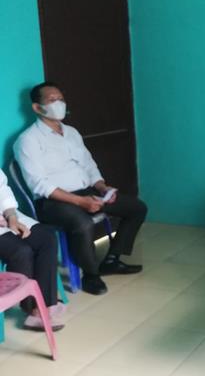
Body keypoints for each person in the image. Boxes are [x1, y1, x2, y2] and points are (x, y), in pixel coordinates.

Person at [14, 82, 147, 296]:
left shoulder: (72, 132)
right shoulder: (28, 140)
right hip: (52, 201)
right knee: (82, 223)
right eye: (52, 100)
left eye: (61, 99)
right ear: (37, 108)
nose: (59, 104)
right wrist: (80, 202)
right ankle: (91, 275)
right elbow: (39, 184)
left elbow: (88, 164)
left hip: (85, 192)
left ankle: (112, 260)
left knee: (136, 208)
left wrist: (102, 187)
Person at [0, 168, 64, 331]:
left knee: (46, 239)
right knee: (21, 251)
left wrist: (11, 216)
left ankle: (45, 304)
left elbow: (2, 188)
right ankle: (33, 306)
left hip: (6, 215)